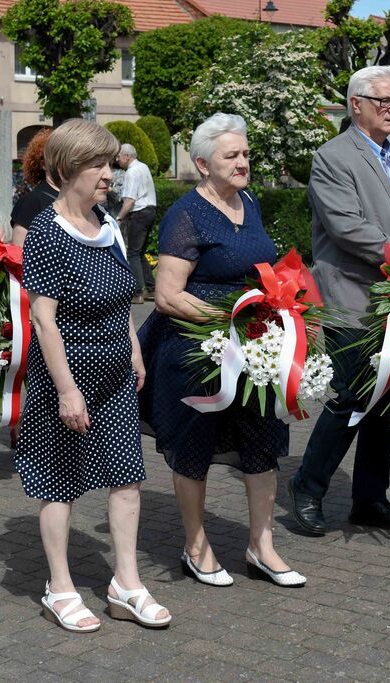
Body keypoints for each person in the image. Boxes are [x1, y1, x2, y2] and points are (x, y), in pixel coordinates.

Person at [139, 113, 306, 587]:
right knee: (194, 448)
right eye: (231, 156)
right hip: (197, 351)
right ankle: (195, 543)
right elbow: (168, 294)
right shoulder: (186, 215)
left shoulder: (248, 202)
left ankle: (262, 546)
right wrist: (226, 323)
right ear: (201, 164)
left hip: (252, 349)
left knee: (261, 445)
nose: (242, 163)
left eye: (245, 154)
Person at [17, 119, 171, 632]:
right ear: (66, 169)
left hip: (115, 378)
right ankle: (59, 586)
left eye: (110, 164)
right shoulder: (46, 233)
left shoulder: (106, 222)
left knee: (128, 478)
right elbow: (43, 318)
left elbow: (121, 297)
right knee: (58, 481)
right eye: (98, 165)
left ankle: (125, 584)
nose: (109, 174)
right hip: (67, 379)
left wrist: (134, 351)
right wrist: (66, 389)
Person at [287, 66, 390, 535]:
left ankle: (371, 498)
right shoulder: (333, 157)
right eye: (384, 101)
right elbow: (347, 226)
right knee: (350, 397)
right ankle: (308, 488)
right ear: (356, 104)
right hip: (354, 298)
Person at [115, 143, 157, 304]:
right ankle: (151, 289)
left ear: (127, 156)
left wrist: (119, 218)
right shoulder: (143, 167)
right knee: (140, 252)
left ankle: (137, 293)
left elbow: (130, 200)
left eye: (119, 156)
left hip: (139, 213)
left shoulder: (131, 172)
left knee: (132, 252)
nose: (117, 159)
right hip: (150, 210)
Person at [10, 127, 57, 247]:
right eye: (58, 157)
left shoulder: (74, 197)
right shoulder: (31, 202)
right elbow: (19, 255)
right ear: (43, 164)